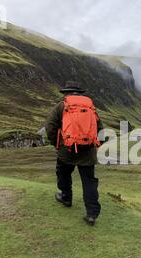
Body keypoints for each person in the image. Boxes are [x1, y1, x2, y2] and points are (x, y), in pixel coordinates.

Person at [46, 81, 103, 226]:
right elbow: (100, 128)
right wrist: (95, 144)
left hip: (67, 150)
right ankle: (91, 214)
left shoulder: (62, 106)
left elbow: (50, 127)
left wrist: (57, 144)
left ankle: (66, 197)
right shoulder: (90, 106)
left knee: (63, 173)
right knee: (89, 182)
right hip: (88, 151)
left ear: (66, 92)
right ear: (79, 93)